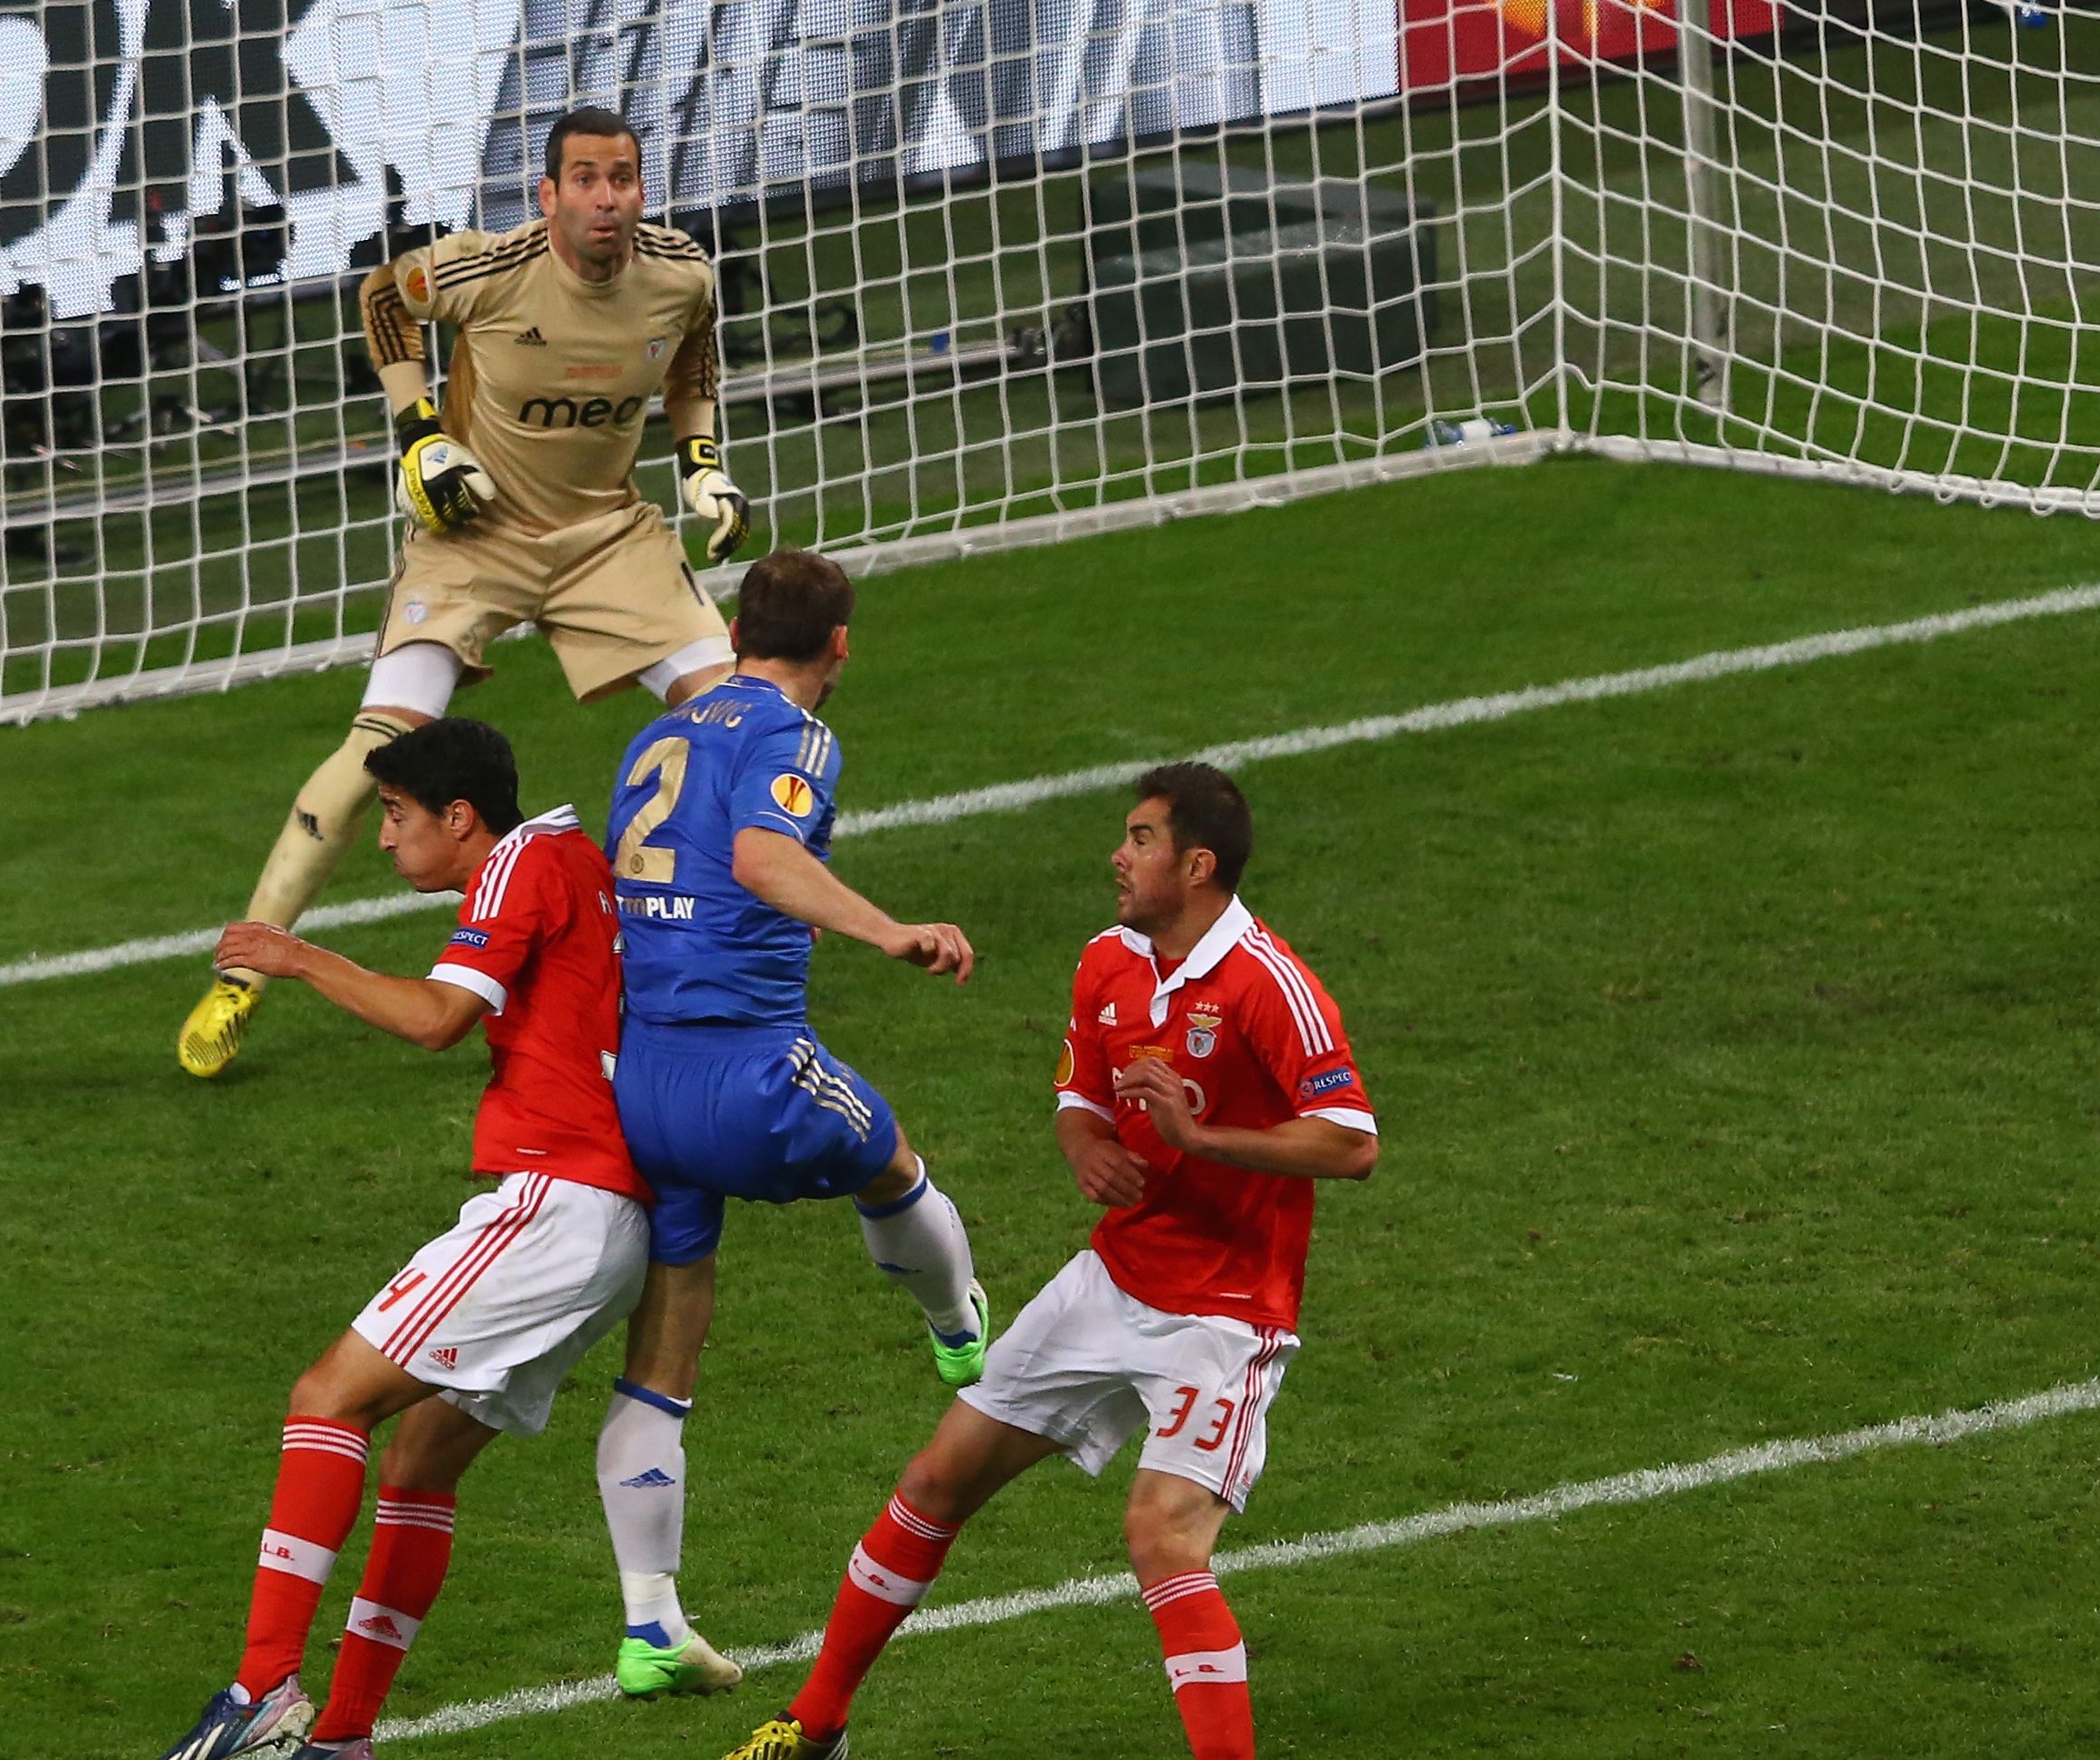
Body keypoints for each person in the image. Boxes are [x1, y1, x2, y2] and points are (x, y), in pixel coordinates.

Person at [714, 763, 1381, 1760]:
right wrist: (1085, 1146)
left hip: (1226, 1312)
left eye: (1141, 839)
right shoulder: (1109, 961)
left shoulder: (1266, 983)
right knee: (935, 1479)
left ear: (1197, 866)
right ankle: (816, 1726)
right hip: (1114, 1278)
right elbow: (1079, 1092)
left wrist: (1199, 1139)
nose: (1119, 855)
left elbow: (1351, 1140)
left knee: (1162, 1537)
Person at [177, 105, 753, 1078]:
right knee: (372, 757)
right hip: (473, 537)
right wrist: (421, 432)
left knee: (740, 724)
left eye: (622, 179)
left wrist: (700, 461)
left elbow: (692, 355)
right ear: (549, 194)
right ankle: (242, 977)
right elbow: (380, 296)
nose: (606, 199)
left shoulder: (680, 272)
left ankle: (738, 939)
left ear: (640, 189)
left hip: (606, 536)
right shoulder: (488, 268)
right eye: (585, 180)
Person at [155, 718, 645, 1760]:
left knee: (326, 1396)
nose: (383, 839)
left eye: (395, 814)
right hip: (617, 1222)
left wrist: (298, 957)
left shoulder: (519, 862)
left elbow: (436, 1017)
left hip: (556, 1201)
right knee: (419, 1462)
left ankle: (263, 1683)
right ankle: (341, 1738)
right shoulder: (574, 856)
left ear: (459, 816)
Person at [593, 548, 991, 1700]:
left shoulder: (658, 733)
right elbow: (762, 855)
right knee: (891, 1163)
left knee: (664, 1354)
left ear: (733, 631)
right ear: (840, 644)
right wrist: (888, 928)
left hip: (643, 1081)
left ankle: (648, 1623)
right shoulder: (797, 733)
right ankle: (960, 1331)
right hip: (751, 1071)